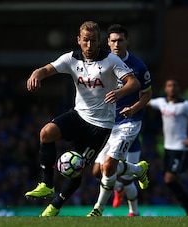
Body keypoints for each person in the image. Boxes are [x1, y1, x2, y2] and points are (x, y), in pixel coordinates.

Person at [24, 21, 145, 217]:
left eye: (94, 41)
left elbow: (134, 83)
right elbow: (46, 69)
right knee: (46, 133)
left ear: (100, 41)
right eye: (86, 41)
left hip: (100, 126)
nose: (89, 46)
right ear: (79, 40)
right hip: (78, 115)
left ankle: (54, 207)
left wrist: (120, 92)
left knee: (77, 167)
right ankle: (46, 184)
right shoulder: (71, 58)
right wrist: (36, 74)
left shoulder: (111, 60)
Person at [87, 24, 152, 217]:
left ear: (127, 41)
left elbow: (147, 95)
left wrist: (133, 109)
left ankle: (100, 209)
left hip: (128, 122)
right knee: (97, 172)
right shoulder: (102, 61)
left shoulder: (138, 66)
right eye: (113, 40)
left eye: (120, 40)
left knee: (112, 170)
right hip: (107, 123)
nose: (116, 44)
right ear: (108, 42)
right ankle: (137, 170)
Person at [148, 78, 188, 216]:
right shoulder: (161, 103)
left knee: (169, 179)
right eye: (169, 85)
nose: (172, 88)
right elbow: (146, 102)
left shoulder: (185, 105)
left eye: (175, 85)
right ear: (165, 89)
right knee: (175, 179)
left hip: (180, 147)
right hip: (167, 148)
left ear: (178, 88)